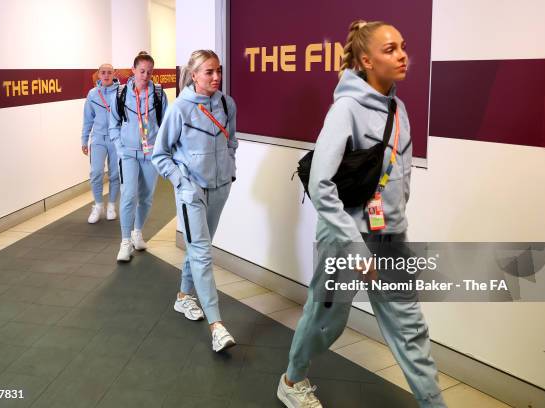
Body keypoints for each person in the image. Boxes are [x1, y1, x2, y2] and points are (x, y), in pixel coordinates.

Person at [276, 20, 447, 408]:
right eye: (390, 49)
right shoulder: (346, 109)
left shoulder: (399, 109)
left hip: (388, 240)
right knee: (326, 321)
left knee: (410, 329)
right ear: (366, 60)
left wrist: (396, 230)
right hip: (345, 239)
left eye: (403, 46)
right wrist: (355, 246)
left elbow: (400, 179)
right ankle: (292, 378)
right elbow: (321, 183)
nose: (402, 54)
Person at [152, 50, 238, 352]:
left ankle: (183, 296)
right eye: (209, 72)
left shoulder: (228, 104)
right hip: (192, 193)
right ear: (194, 75)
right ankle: (217, 325)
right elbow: (159, 154)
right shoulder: (180, 109)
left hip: (220, 189)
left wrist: (230, 172)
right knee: (201, 253)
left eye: (218, 71)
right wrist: (182, 183)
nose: (216, 77)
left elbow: (231, 142)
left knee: (199, 247)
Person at [109, 51, 168, 262]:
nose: (145, 76)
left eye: (149, 72)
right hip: (128, 154)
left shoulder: (159, 94)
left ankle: (137, 233)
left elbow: (165, 127)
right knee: (128, 196)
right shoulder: (121, 93)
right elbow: (113, 125)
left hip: (150, 154)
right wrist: (120, 148)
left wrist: (162, 151)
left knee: (146, 197)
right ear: (133, 70)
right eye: (142, 71)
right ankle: (125, 242)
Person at [81, 63, 120, 223]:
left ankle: (111, 205)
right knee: (96, 173)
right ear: (98, 74)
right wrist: (84, 139)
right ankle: (98, 205)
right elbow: (87, 118)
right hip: (97, 139)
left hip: (116, 139)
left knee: (115, 174)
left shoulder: (121, 92)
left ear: (114, 74)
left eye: (109, 72)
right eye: (103, 72)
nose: (106, 75)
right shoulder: (92, 94)